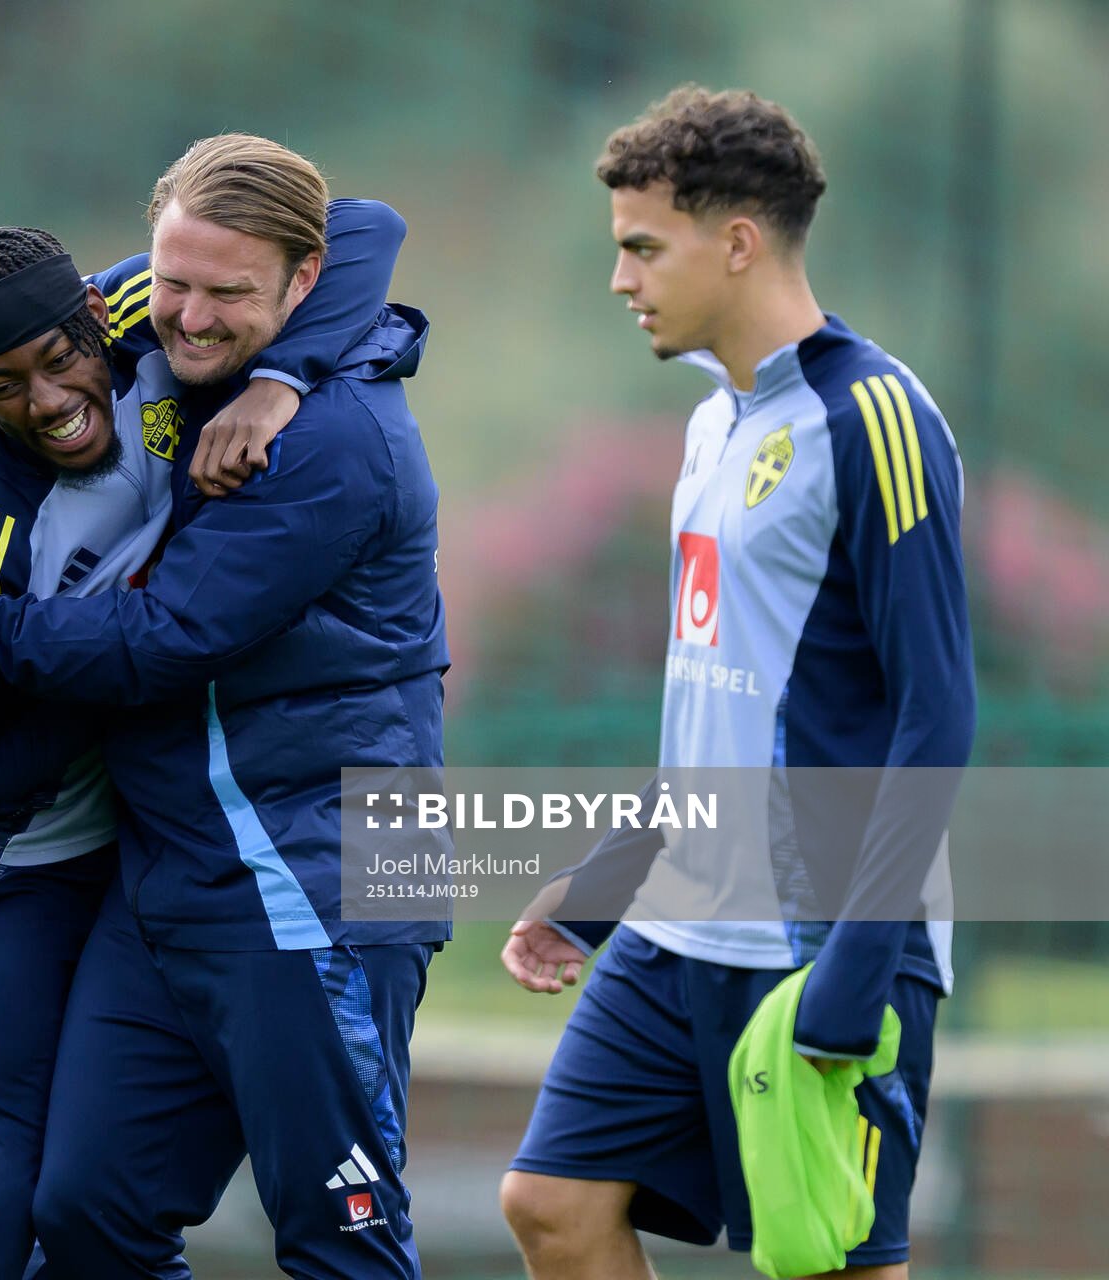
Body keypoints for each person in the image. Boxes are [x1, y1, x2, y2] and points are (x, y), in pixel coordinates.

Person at [0, 133, 448, 1279]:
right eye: (170, 280)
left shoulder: (332, 441)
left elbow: (163, 642)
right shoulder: (170, 345)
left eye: (226, 292)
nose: (185, 316)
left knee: (343, 1243)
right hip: (180, 878)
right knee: (85, 1210)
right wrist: (274, 364)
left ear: (301, 279)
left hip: (324, 882)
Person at [497, 86, 976, 1280]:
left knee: (833, 1267)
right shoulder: (714, 425)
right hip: (677, 928)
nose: (623, 279)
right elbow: (716, 707)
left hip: (825, 937)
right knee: (550, 1202)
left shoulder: (876, 417)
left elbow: (938, 713)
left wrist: (856, 970)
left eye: (643, 247)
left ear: (740, 241)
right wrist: (601, 886)